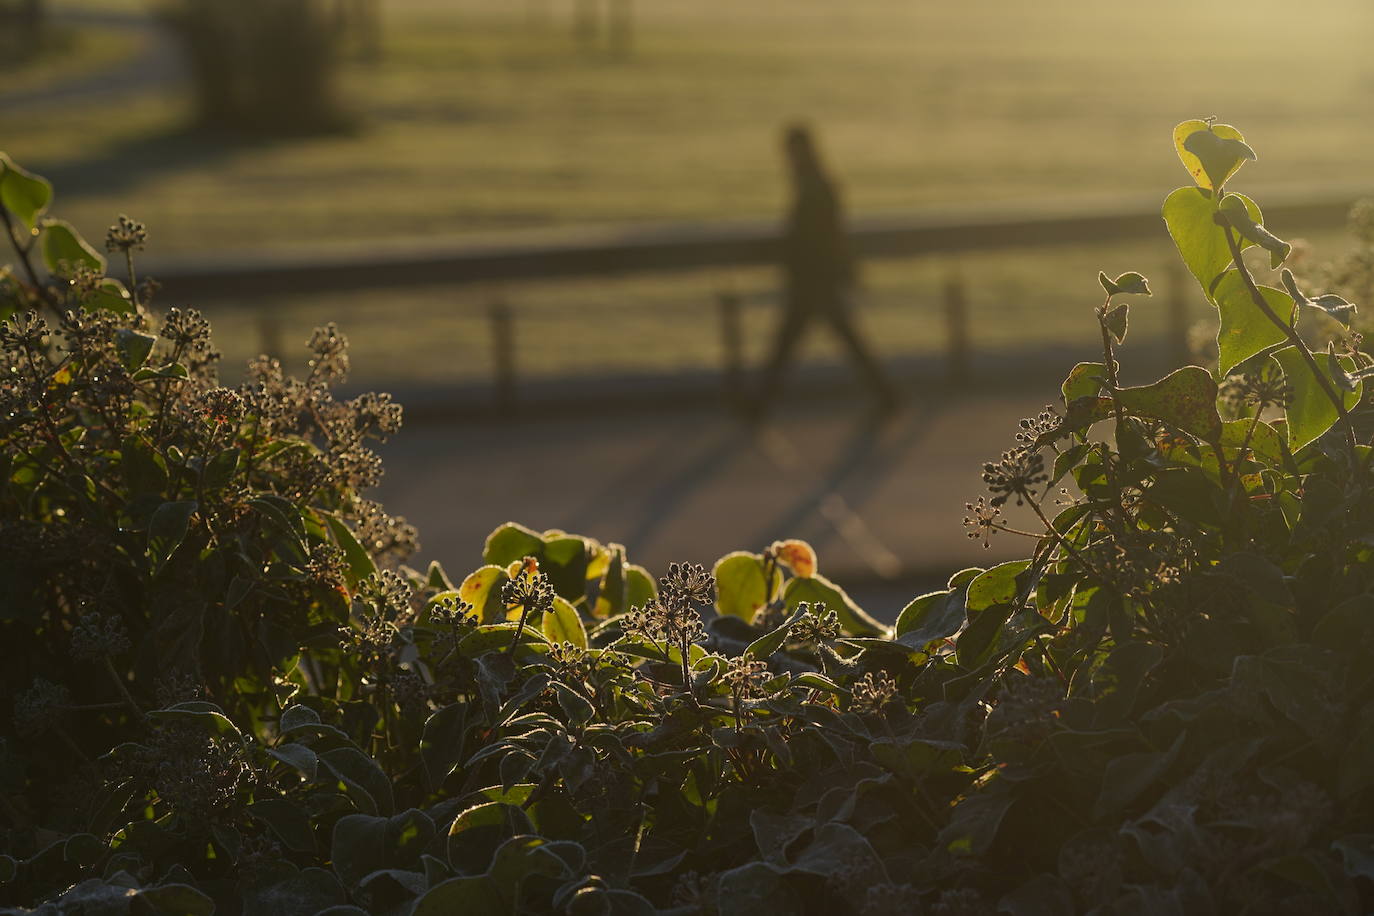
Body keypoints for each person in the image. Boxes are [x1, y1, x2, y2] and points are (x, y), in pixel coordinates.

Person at [749, 123, 900, 419]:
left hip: (814, 280)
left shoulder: (814, 186)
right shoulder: (816, 183)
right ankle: (886, 395)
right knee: (837, 339)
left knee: (792, 343)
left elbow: (822, 236)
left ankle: (760, 403)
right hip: (818, 279)